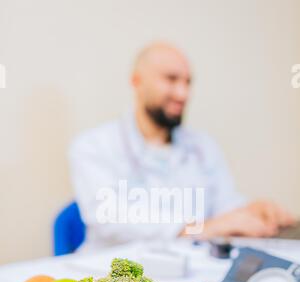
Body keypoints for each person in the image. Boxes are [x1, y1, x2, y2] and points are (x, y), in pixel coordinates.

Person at [69, 42, 295, 250]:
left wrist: (252, 211)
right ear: (136, 81)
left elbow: (224, 207)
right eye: (171, 79)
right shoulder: (94, 146)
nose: (183, 93)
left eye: (188, 82)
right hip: (113, 275)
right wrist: (202, 229)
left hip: (191, 269)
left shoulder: (202, 146)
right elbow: (110, 219)